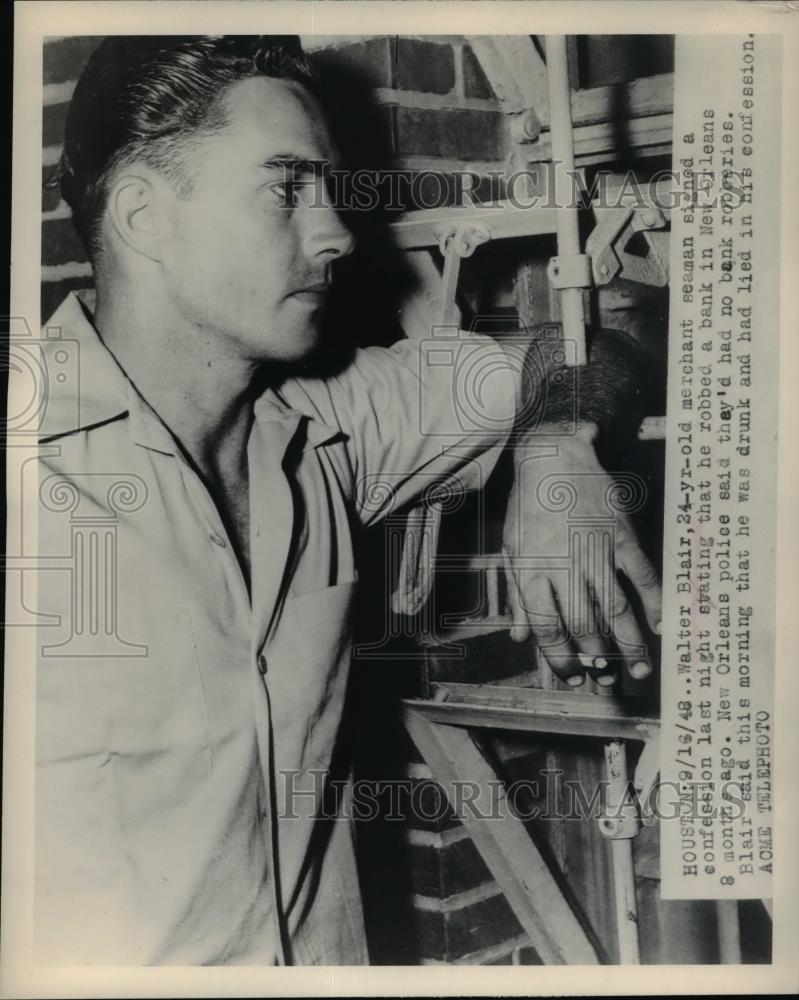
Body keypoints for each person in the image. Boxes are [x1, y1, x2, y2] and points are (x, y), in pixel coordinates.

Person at [35, 35, 662, 965]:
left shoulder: (334, 423)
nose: (334, 233)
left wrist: (559, 447)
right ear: (143, 216)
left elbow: (590, 350)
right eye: (287, 188)